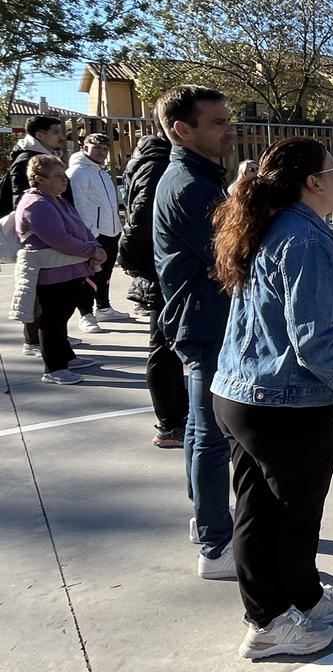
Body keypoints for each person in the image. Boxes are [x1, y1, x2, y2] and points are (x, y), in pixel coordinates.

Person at [210, 136, 333, 659]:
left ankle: (303, 599)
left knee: (266, 511)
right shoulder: (305, 239)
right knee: (286, 516)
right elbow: (313, 339)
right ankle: (266, 622)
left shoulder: (279, 226)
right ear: (313, 182)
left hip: (246, 395)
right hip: (281, 404)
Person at [153, 85, 238, 581]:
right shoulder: (189, 186)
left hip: (201, 317)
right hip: (205, 322)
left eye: (228, 119)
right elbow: (234, 257)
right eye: (218, 123)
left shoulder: (199, 178)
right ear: (182, 131)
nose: (230, 129)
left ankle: (206, 521)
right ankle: (215, 545)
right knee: (211, 435)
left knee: (199, 429)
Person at [118, 132, 189, 448]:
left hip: (156, 265)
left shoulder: (146, 163)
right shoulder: (159, 164)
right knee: (162, 347)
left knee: (169, 347)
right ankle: (169, 424)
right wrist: (129, 257)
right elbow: (143, 215)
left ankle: (178, 413)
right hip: (158, 268)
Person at [13, 155, 104, 384]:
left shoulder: (58, 199)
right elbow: (59, 240)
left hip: (69, 270)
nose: (64, 180)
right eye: (57, 176)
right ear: (38, 179)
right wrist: (92, 252)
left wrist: (95, 246)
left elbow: (80, 229)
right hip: (51, 273)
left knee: (62, 317)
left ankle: (66, 357)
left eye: (64, 175)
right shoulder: (36, 204)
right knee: (52, 321)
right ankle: (54, 369)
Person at [68, 133, 128, 334]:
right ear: (85, 148)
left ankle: (104, 307)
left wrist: (116, 229)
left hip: (110, 231)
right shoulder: (78, 172)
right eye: (97, 148)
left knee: (107, 272)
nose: (102, 153)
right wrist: (90, 234)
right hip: (95, 234)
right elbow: (79, 206)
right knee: (91, 274)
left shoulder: (101, 172)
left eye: (105, 149)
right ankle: (86, 314)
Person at [0, 115, 72, 214]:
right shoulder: (25, 162)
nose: (62, 137)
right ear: (40, 136)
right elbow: (23, 203)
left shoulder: (52, 158)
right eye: (56, 133)